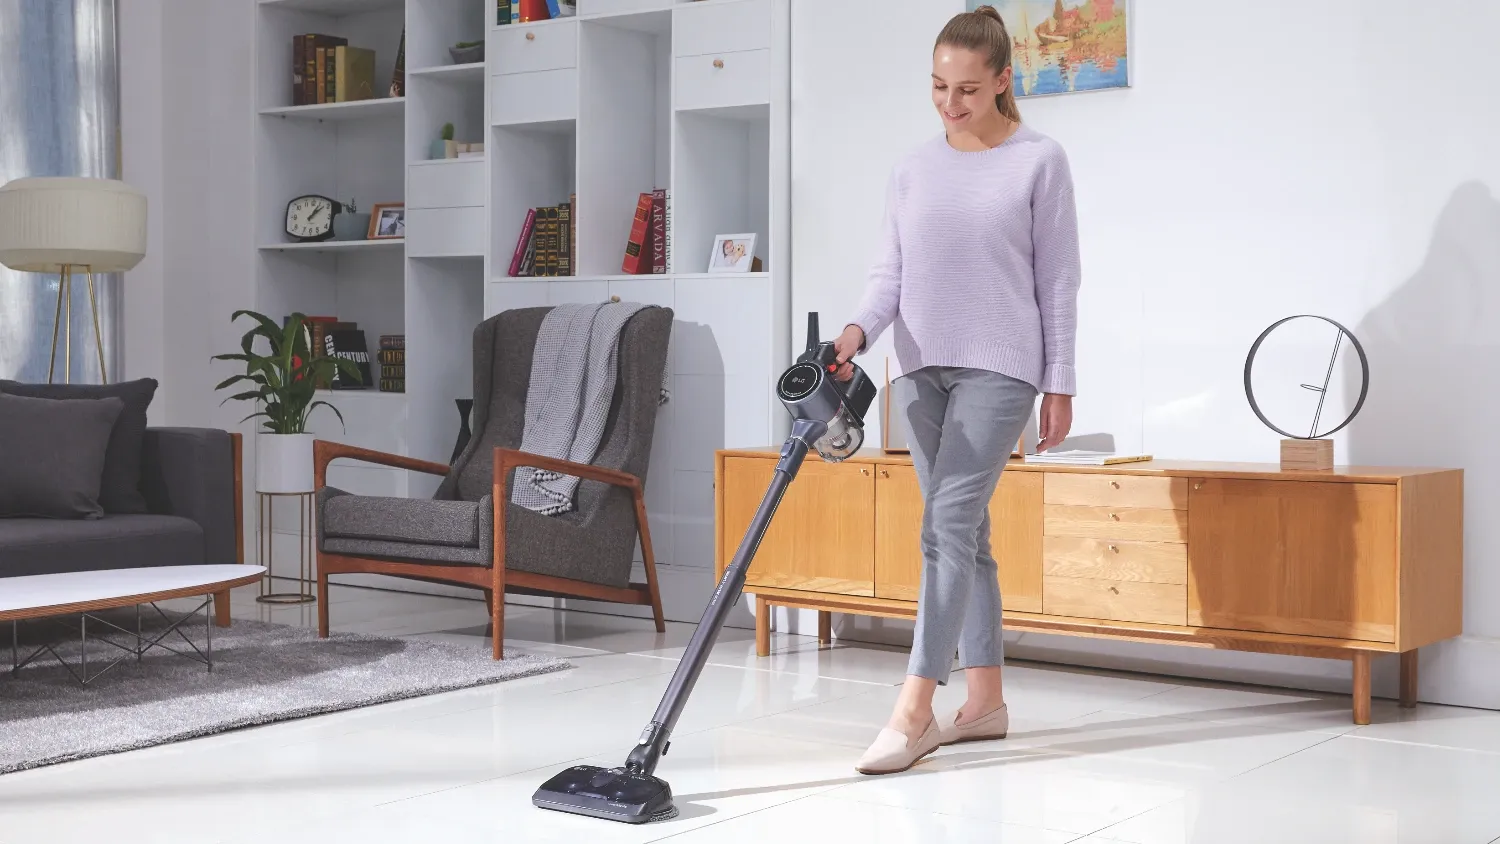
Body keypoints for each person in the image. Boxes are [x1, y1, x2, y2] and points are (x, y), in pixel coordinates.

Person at [833, 5, 1081, 776]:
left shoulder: (1041, 160)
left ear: (1004, 80)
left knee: (943, 529)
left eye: (968, 89)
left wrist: (1060, 382)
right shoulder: (913, 167)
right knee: (964, 536)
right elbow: (889, 277)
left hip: (1001, 366)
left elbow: (1058, 281)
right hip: (914, 367)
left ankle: (914, 712)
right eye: (938, 87)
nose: (951, 103)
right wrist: (852, 338)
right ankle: (986, 702)